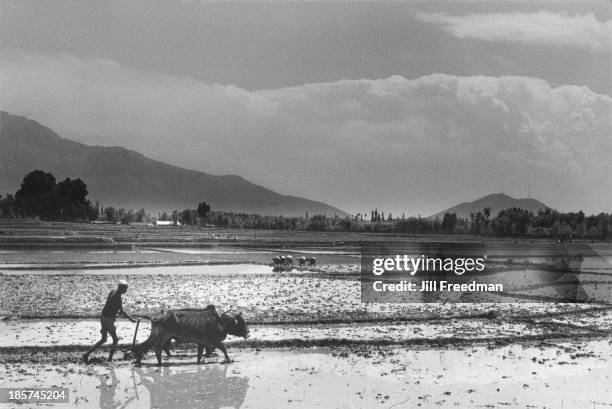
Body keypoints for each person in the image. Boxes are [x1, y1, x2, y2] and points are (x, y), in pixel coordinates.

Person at [83, 279, 138, 363]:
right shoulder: (118, 298)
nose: (126, 290)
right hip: (108, 320)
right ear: (121, 288)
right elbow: (121, 310)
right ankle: (109, 359)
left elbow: (111, 307)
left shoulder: (112, 292)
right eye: (125, 289)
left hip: (103, 317)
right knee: (115, 340)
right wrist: (130, 319)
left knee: (103, 339)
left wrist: (114, 313)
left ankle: (87, 354)